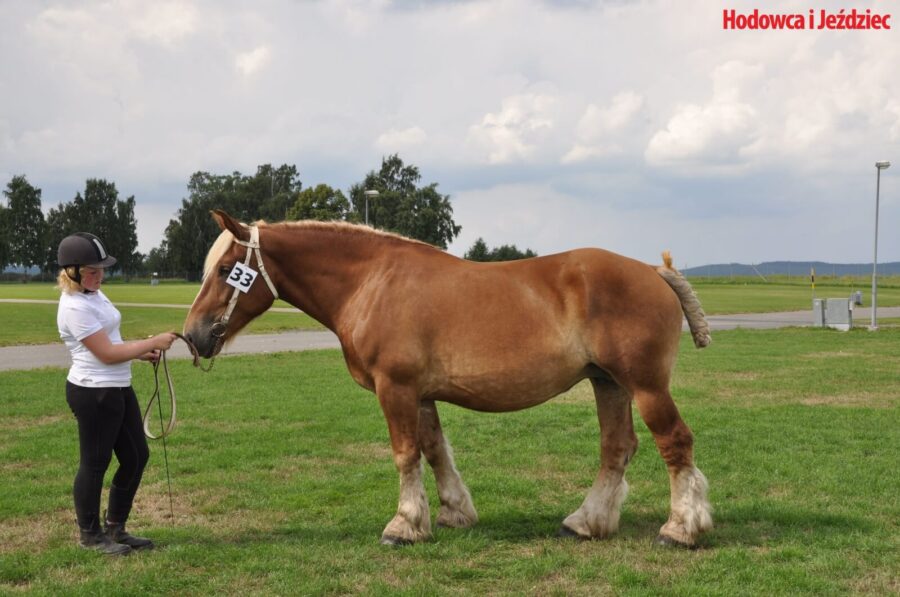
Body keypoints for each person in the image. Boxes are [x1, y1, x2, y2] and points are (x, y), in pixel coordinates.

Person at [56, 232, 177, 556]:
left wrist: (138, 352)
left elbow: (113, 340)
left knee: (137, 456)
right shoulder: (74, 307)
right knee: (95, 463)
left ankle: (116, 527)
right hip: (93, 392)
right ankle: (90, 536)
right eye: (92, 271)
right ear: (72, 272)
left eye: (101, 270)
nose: (99, 276)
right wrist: (152, 342)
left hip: (118, 387)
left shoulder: (95, 295)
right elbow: (106, 354)